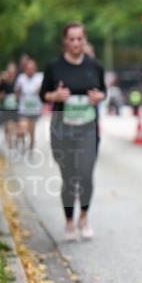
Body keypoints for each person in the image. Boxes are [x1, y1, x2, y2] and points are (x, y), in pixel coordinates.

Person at [41, 22, 106, 242]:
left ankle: (84, 218)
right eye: (72, 39)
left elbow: (103, 92)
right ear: (65, 41)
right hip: (62, 130)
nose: (76, 43)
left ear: (85, 40)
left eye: (80, 39)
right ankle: (69, 222)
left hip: (88, 129)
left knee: (86, 175)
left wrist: (99, 98)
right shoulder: (54, 67)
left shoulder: (94, 66)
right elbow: (44, 94)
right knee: (69, 178)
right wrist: (55, 96)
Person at [15, 57, 44, 151]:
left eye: (32, 68)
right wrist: (18, 92)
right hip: (24, 109)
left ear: (35, 68)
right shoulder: (21, 78)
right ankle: (21, 141)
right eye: (28, 68)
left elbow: (46, 90)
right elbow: (17, 94)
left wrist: (41, 89)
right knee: (22, 129)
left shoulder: (40, 77)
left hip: (35, 110)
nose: (30, 70)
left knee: (31, 131)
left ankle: (30, 148)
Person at [0, 63, 19, 148]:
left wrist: (18, 95)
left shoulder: (18, 81)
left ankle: (15, 141)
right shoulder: (3, 83)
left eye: (13, 71)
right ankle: (10, 145)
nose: (11, 73)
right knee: (8, 125)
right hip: (6, 108)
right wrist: (3, 95)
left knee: (15, 126)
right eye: (10, 71)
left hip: (17, 107)